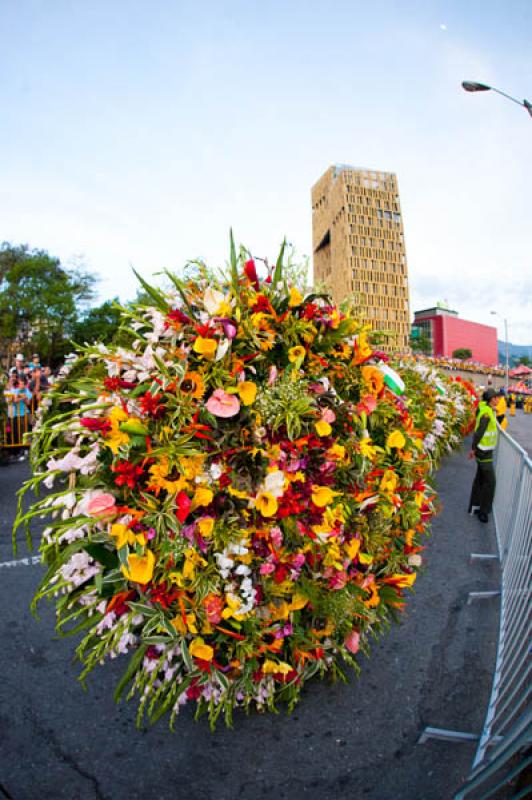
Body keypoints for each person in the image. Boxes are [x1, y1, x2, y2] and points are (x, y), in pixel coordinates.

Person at [468, 388, 499, 523]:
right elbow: (479, 432)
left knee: (480, 478)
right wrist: (473, 449)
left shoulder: (487, 409)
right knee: (491, 482)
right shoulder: (486, 413)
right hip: (483, 451)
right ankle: (483, 511)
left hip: (484, 450)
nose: (498, 400)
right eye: (496, 398)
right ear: (491, 399)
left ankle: (474, 507)